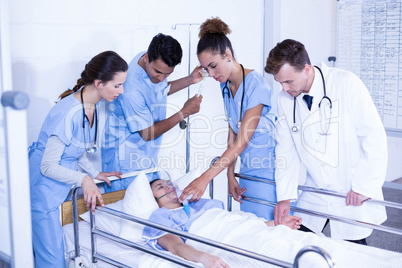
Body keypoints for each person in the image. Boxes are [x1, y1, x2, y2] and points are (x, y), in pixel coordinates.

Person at [264, 39, 387, 244]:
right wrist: (285, 196)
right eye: (279, 83)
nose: (284, 89)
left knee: (353, 249)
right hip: (317, 190)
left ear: (306, 69)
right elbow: (286, 150)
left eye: (288, 82)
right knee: (298, 240)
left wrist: (364, 185)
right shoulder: (284, 99)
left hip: (350, 187)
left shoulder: (346, 83)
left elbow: (373, 136)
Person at [28, 51, 128, 267]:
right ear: (100, 83)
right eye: (118, 85)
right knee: (52, 260)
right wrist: (84, 179)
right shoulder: (67, 113)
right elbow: (47, 166)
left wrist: (94, 174)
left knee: (61, 254)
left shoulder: (93, 106)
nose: (122, 90)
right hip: (43, 192)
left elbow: (74, 151)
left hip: (59, 189)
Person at [179, 17, 277, 220]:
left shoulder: (255, 85)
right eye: (207, 69)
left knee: (270, 229)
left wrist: (204, 178)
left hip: (271, 172)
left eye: (214, 66)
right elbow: (232, 133)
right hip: (248, 171)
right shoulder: (225, 86)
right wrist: (230, 174)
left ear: (228, 55)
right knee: (252, 227)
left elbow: (242, 141)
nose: (211, 73)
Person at [102, 33, 203, 192]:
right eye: (158, 72)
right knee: (126, 210)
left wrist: (190, 80)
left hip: (144, 155)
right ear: (147, 58)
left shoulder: (150, 62)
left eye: (167, 74)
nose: (162, 78)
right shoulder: (131, 91)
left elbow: (159, 90)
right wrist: (184, 112)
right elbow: (147, 134)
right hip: (124, 161)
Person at [143, 179, 302, 268]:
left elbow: (238, 223)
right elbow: (176, 247)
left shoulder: (197, 203)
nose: (168, 187)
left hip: (245, 231)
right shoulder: (160, 217)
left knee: (294, 246)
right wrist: (204, 258)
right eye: (160, 187)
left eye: (168, 183)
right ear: (153, 199)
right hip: (221, 239)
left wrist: (274, 224)